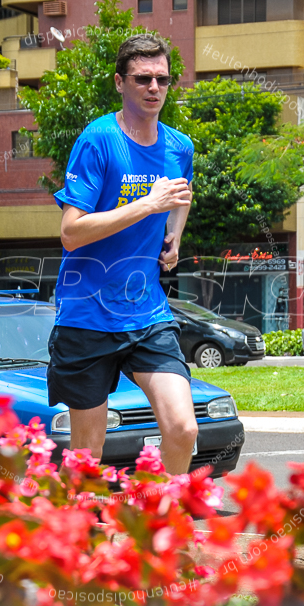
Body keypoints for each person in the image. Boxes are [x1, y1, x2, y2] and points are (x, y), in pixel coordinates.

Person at [47, 34, 197, 475]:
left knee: (183, 428)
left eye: (163, 79)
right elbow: (71, 232)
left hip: (147, 312)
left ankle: (164, 523)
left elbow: (181, 194)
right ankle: (76, 535)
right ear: (120, 82)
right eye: (143, 79)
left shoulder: (179, 146)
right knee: (87, 454)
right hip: (86, 315)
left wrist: (174, 235)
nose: (154, 88)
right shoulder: (98, 140)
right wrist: (147, 205)